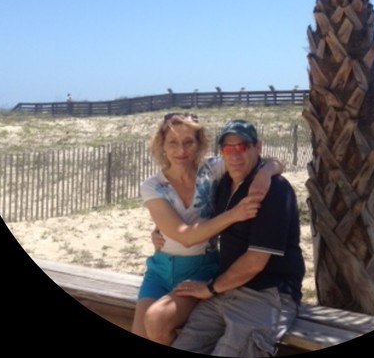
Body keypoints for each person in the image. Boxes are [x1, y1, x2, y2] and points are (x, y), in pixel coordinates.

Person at [131, 113, 284, 344]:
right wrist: (234, 214)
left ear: (199, 143)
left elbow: (271, 161)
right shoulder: (152, 186)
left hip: (201, 268)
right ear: (162, 145)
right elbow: (184, 237)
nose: (181, 151)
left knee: (157, 319)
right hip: (159, 270)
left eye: (188, 142)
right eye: (173, 143)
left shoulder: (212, 170)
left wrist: (265, 173)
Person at [170, 119, 305, 357]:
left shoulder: (274, 190)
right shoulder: (224, 183)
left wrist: (211, 288)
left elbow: (255, 262)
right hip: (226, 288)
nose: (234, 155)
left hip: (267, 294)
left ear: (257, 147)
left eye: (242, 146)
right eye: (227, 148)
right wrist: (161, 233)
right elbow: (199, 220)